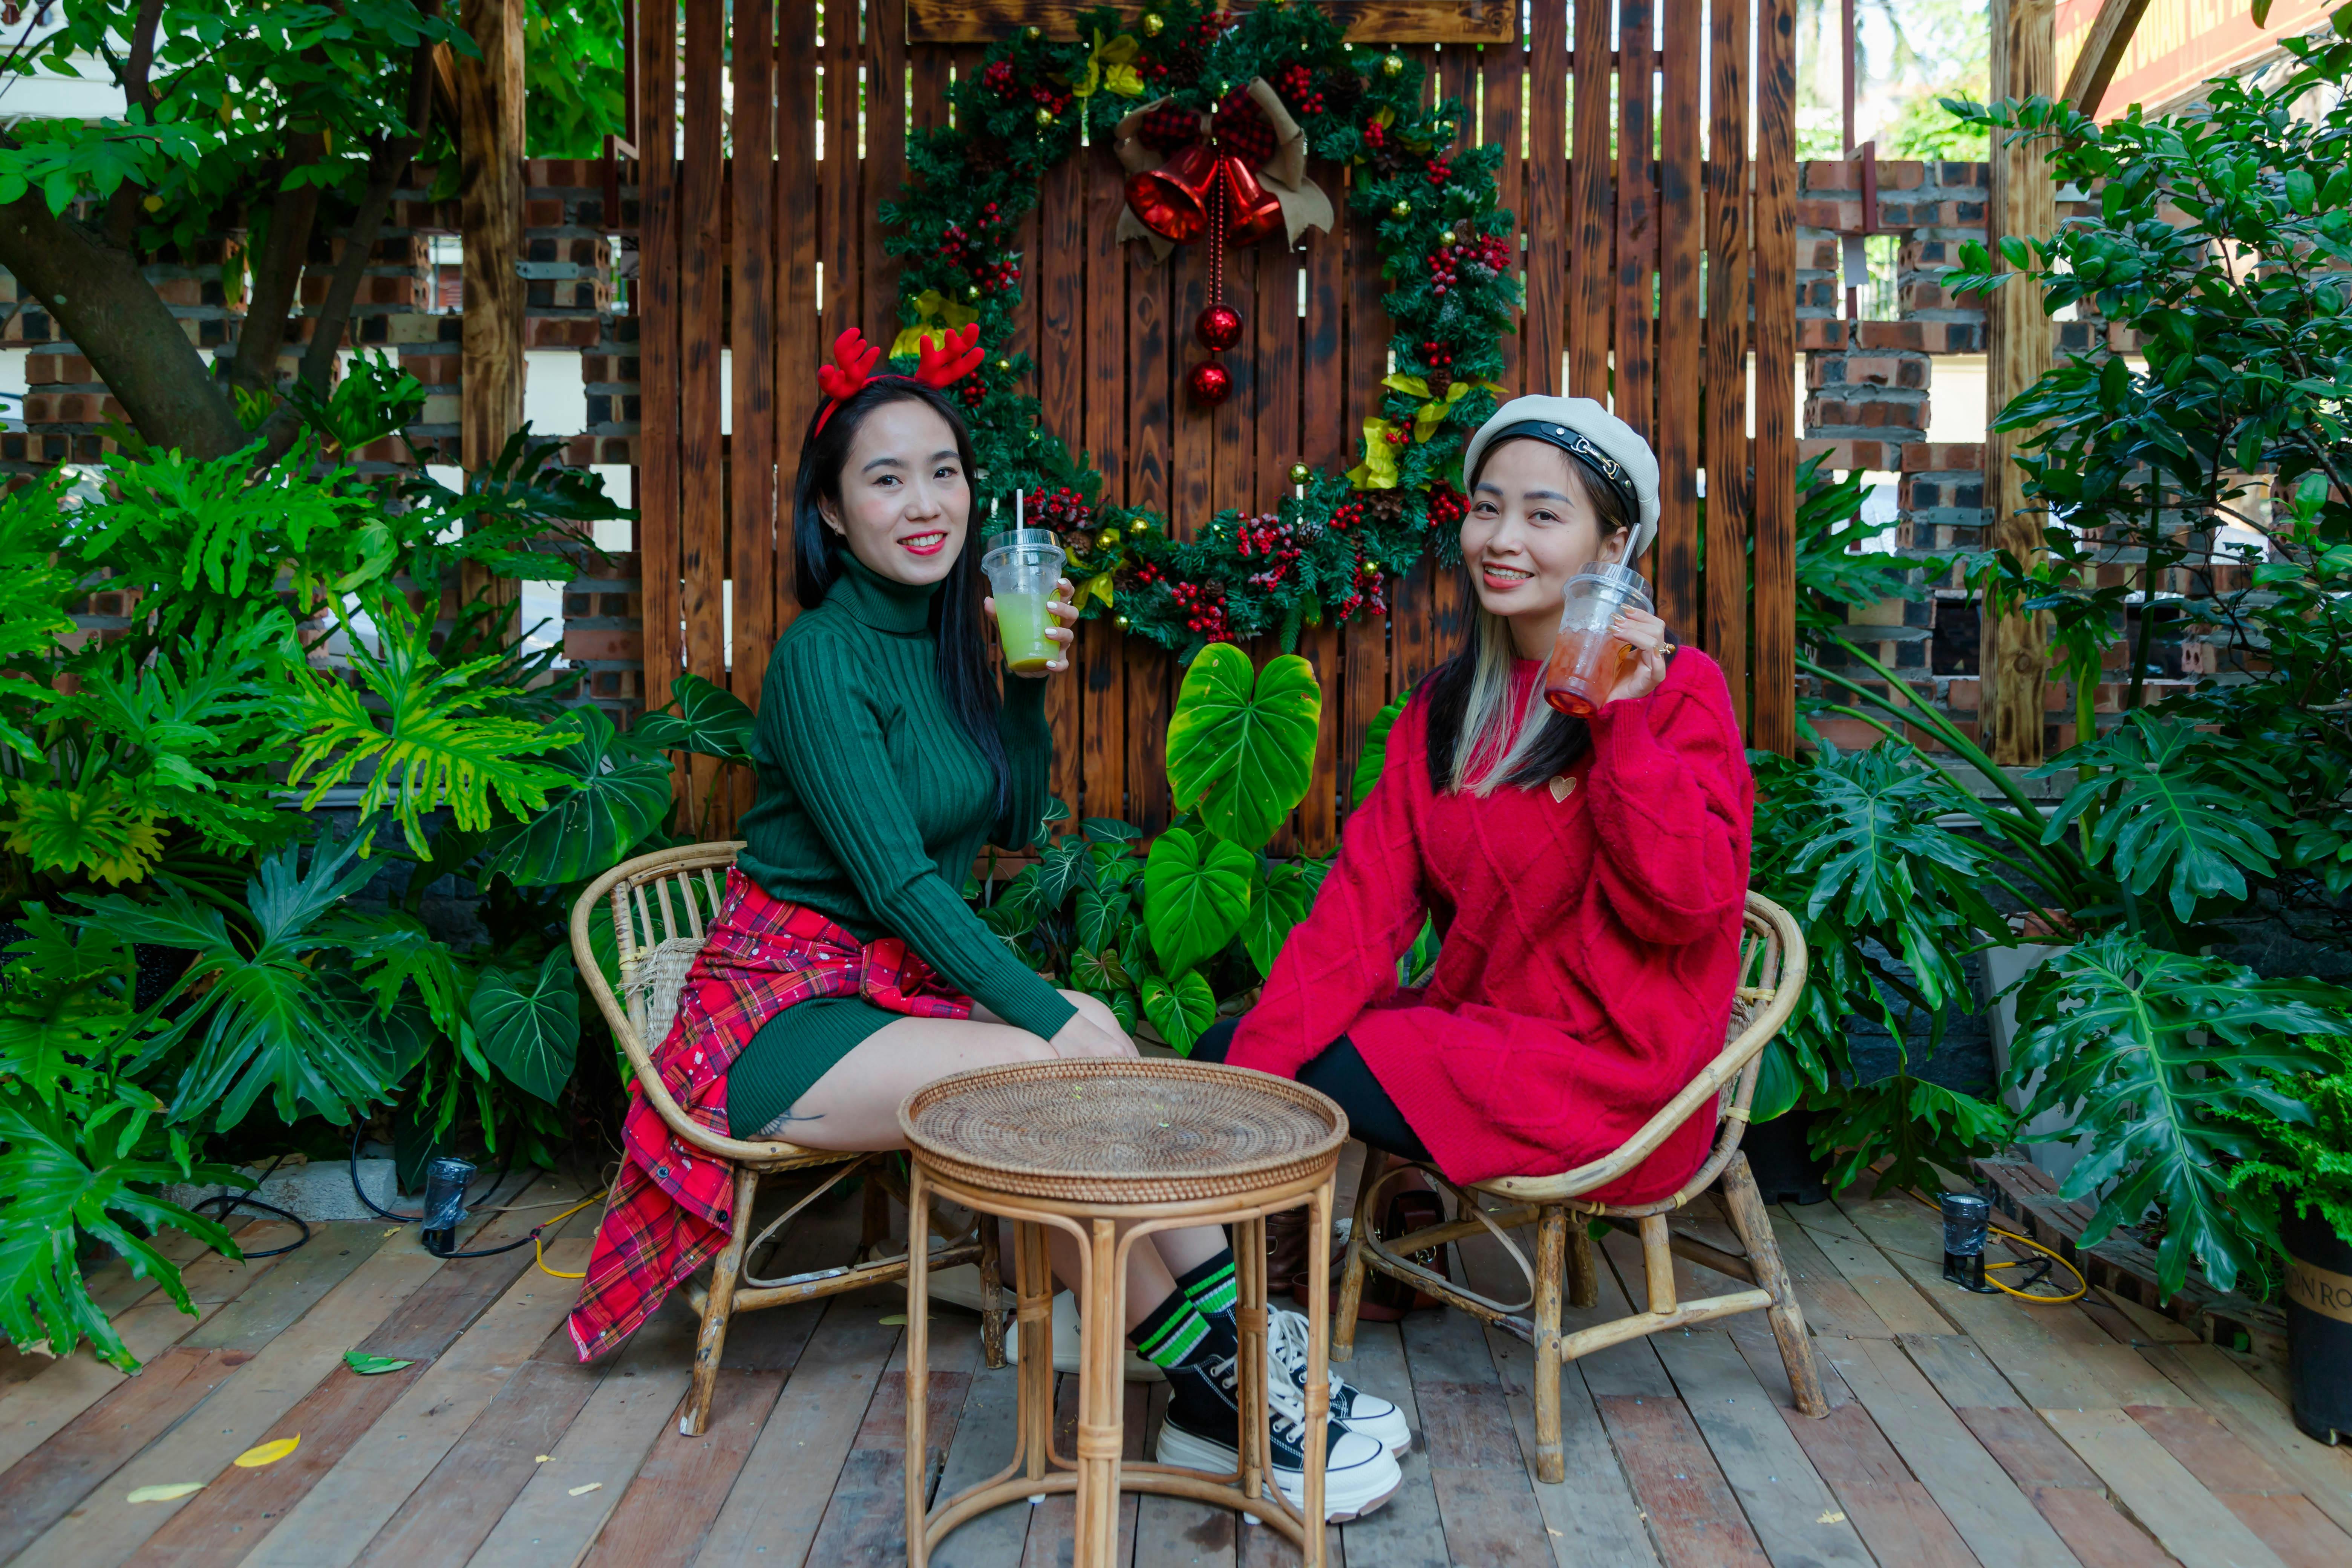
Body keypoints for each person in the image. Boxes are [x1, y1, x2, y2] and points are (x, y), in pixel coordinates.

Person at [568, 326, 1405, 1522]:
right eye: (886, 478)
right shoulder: (819, 660)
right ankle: (1236, 1393)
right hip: (779, 1010)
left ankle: (1249, 1371)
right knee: (1046, 1071)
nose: (926, 503)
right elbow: (906, 887)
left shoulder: (957, 639)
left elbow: (1013, 815)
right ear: (833, 516)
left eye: (945, 472)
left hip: (886, 987)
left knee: (1085, 1060)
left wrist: (1022, 688)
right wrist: (1040, 1006)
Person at [1194, 394, 1753, 1223]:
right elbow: (1359, 912)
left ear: (1614, 546)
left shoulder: (1681, 692)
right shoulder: (1444, 711)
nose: (1502, 539)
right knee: (1230, 1053)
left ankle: (1315, 1240)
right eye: (1487, 509)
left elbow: (1687, 906)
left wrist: (1623, 722)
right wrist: (1255, 1068)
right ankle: (1352, 1233)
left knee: (1274, 1066)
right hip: (1487, 1042)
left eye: (1542, 514)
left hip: (1616, 1083)